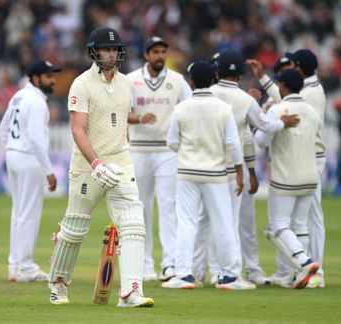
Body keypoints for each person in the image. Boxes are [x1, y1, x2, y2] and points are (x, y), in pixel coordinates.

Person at [47, 26, 154, 308]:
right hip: (88, 165)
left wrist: (125, 150)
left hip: (121, 162)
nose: (111, 53)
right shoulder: (81, 84)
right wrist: (95, 164)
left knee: (133, 224)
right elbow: (78, 130)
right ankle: (58, 283)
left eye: (115, 49)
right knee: (75, 228)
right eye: (105, 49)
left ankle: (131, 292)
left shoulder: (126, 83)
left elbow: (119, 122)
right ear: (94, 52)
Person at [192, 50, 300, 287]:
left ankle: (196, 273)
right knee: (228, 222)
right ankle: (226, 273)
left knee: (202, 221)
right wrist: (283, 122)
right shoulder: (245, 100)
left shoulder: (203, 96)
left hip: (201, 167)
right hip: (230, 171)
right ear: (241, 73)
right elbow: (263, 125)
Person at [162, 61, 253, 290]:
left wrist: (188, 152)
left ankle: (184, 275)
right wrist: (240, 173)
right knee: (223, 223)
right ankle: (230, 276)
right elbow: (233, 143)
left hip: (187, 173)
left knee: (186, 223)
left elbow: (172, 142)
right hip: (216, 174)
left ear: (191, 82)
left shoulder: (181, 108)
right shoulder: (223, 108)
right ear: (212, 81)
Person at [248, 49, 327, 288]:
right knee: (300, 226)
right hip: (309, 176)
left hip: (285, 177)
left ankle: (305, 263)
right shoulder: (312, 111)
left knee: (279, 226)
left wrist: (258, 123)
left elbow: (261, 142)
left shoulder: (277, 110)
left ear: (282, 86)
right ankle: (302, 274)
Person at [127, 36, 192, 282]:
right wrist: (139, 119)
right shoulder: (131, 79)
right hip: (139, 149)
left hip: (167, 151)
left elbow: (189, 108)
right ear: (146, 55)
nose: (160, 56)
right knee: (141, 207)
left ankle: (170, 263)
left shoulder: (177, 81)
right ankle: (144, 264)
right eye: (155, 51)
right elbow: (122, 111)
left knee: (168, 205)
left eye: (163, 51)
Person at [0, 60, 60, 282]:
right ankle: (24, 266)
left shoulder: (19, 96)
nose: (53, 80)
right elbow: (35, 139)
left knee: (19, 213)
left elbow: (3, 129)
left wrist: (12, 149)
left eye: (53, 75)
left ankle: (15, 265)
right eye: (48, 76)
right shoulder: (36, 102)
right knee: (29, 214)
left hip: (14, 156)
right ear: (35, 78)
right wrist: (48, 171)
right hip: (28, 159)